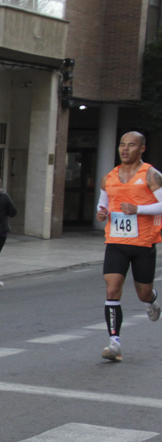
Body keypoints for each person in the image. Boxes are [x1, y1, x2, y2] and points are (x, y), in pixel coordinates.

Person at [94, 131, 162, 361]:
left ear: (141, 149)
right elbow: (103, 204)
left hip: (143, 242)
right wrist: (101, 213)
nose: (124, 149)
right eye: (122, 145)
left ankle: (152, 300)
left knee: (142, 293)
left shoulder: (151, 175)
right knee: (112, 289)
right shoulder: (109, 177)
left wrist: (138, 209)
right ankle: (115, 342)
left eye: (131, 145)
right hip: (115, 241)